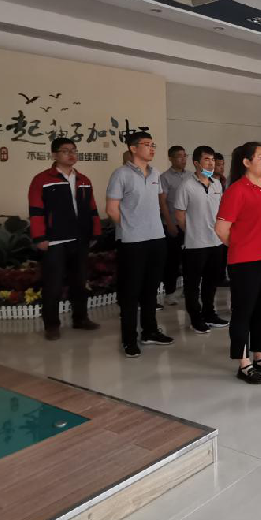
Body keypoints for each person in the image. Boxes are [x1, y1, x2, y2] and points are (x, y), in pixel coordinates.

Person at [215, 142, 261, 384]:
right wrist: (242, 244)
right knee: (243, 311)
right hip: (245, 261)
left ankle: (260, 357)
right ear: (246, 162)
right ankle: (243, 364)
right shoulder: (236, 191)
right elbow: (221, 229)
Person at [106, 132, 175, 357]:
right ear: (133, 149)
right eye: (146, 145)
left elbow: (158, 203)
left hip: (156, 238)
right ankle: (129, 339)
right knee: (130, 292)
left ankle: (150, 331)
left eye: (153, 145)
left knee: (151, 289)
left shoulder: (155, 173)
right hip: (133, 242)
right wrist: (129, 228)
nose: (151, 148)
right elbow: (112, 209)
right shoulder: (121, 174)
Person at [28, 137, 101, 340]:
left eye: (74, 150)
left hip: (80, 238)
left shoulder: (83, 179)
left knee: (79, 282)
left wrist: (95, 232)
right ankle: (51, 325)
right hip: (55, 240)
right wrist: (39, 237)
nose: (71, 154)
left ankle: (81, 318)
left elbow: (92, 208)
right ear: (54, 155)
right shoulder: (42, 179)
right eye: (66, 151)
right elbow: (35, 210)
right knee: (53, 284)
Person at [174, 146, 229, 334]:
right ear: (196, 163)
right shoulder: (186, 185)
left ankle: (209, 313)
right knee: (192, 284)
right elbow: (180, 215)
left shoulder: (217, 184)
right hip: (195, 244)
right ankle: (195, 318)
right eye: (207, 160)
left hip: (216, 241)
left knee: (211, 282)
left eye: (213, 160)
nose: (211, 163)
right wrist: (192, 231)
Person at [159, 145, 189, 304]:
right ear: (170, 158)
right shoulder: (165, 177)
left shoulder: (191, 176)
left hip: (190, 225)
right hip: (173, 224)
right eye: (179, 156)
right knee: (172, 260)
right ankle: (169, 293)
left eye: (185, 155)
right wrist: (169, 224)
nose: (183, 159)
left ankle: (189, 290)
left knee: (190, 260)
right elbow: (162, 202)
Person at [212, 152, 231, 287]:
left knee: (224, 252)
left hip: (226, 219)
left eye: (223, 164)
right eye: (218, 165)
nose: (221, 167)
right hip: (213, 221)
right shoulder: (209, 181)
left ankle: (222, 276)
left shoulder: (225, 181)